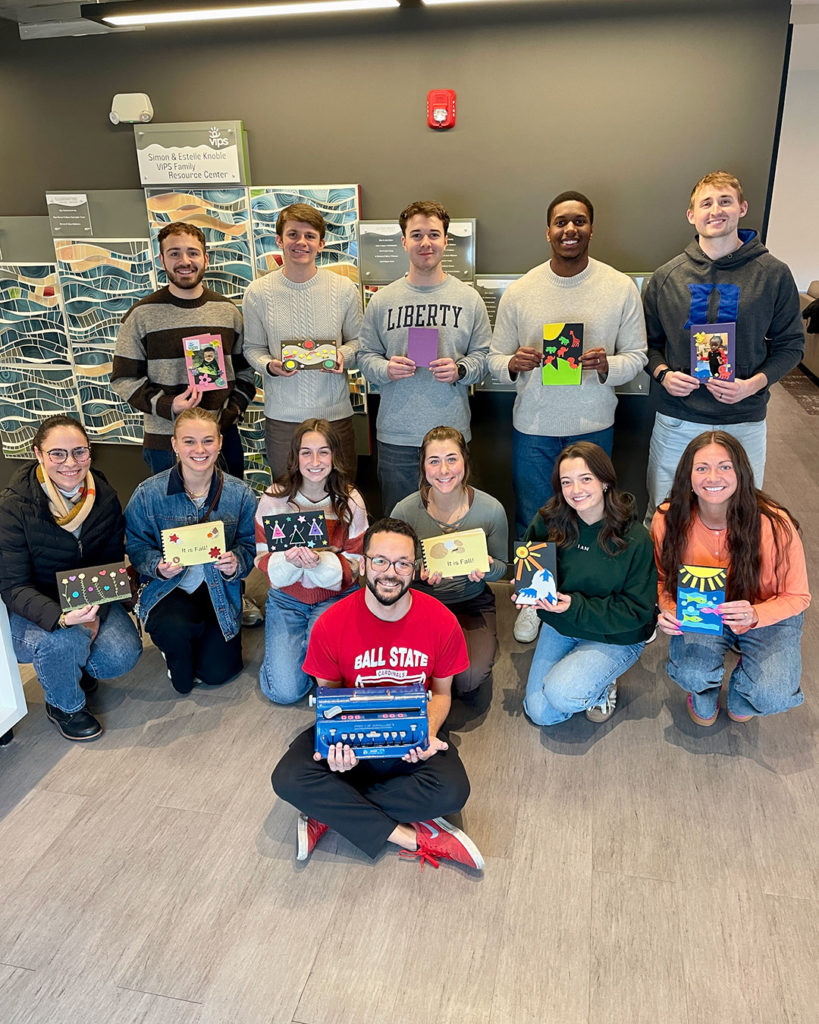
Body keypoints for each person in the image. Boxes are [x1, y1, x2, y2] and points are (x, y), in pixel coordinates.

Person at [270, 518, 484, 871]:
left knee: (452, 792)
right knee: (287, 778)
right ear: (364, 564)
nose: (390, 572)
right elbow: (331, 703)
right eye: (380, 561)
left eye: (402, 563)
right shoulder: (331, 623)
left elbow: (442, 695)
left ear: (414, 570)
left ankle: (330, 811)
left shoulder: (442, 620)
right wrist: (342, 747)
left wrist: (427, 732)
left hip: (413, 731)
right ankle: (416, 837)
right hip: (352, 733)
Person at [487, 190, 647, 643]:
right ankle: (534, 601)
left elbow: (637, 355)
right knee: (534, 519)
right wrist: (513, 364)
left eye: (579, 221)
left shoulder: (618, 287)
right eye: (560, 222)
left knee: (595, 518)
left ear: (592, 228)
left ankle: (588, 598)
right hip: (534, 427)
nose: (569, 230)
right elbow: (495, 358)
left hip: (593, 426)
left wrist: (607, 366)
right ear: (548, 231)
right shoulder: (521, 291)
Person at [644, 171, 804, 524]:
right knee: (665, 516)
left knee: (742, 518)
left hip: (743, 419)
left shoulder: (774, 274)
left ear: (742, 208)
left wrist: (753, 384)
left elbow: (792, 345)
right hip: (678, 419)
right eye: (706, 203)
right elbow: (649, 347)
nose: (716, 210)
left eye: (725, 201)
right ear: (691, 215)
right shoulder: (666, 277)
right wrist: (663, 374)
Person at [651, 431, 809, 725]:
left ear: (742, 472)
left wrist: (756, 614)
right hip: (705, 613)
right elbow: (661, 578)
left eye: (725, 466)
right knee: (692, 672)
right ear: (688, 474)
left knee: (771, 694)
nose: (713, 477)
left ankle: (742, 692)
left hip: (767, 612)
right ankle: (702, 694)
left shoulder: (775, 524)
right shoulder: (667, 519)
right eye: (702, 468)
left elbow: (798, 596)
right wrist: (666, 607)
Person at [0, 416, 142, 741]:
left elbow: (109, 567)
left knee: (120, 653)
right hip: (32, 609)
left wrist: (95, 614)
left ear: (90, 453)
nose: (70, 463)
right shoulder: (13, 506)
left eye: (80, 452)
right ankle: (66, 705)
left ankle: (71, 669)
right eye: (58, 454)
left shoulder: (103, 496)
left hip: (85, 597)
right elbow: (13, 587)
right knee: (63, 641)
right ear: (38, 454)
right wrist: (62, 619)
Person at [358, 200, 491, 516]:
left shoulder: (468, 299)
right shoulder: (382, 300)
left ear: (446, 240)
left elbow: (485, 357)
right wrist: (386, 368)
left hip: (451, 437)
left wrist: (460, 369)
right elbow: (364, 356)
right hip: (396, 438)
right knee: (399, 525)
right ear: (404, 241)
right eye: (416, 235)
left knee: (452, 524)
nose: (425, 243)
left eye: (434, 234)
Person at [518, 442, 656, 727]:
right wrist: (528, 594)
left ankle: (604, 681)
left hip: (617, 634)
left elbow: (638, 612)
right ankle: (585, 673)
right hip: (563, 623)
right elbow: (533, 576)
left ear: (605, 481)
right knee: (541, 712)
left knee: (562, 694)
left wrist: (576, 606)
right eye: (567, 482)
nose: (576, 490)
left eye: (586, 479)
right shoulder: (548, 521)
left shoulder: (636, 538)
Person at [125, 408, 257, 694]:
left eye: (208, 441)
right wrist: (157, 565)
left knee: (219, 674)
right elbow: (135, 544)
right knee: (183, 681)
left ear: (220, 442)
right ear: (174, 444)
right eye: (189, 441)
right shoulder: (149, 493)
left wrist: (237, 563)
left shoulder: (241, 494)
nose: (199, 450)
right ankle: (176, 645)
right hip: (169, 589)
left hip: (217, 590)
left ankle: (197, 640)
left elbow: (251, 544)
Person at [111, 221, 255, 479]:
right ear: (162, 260)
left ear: (205, 259)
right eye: (174, 253)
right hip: (164, 442)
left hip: (220, 438)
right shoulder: (141, 315)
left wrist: (230, 413)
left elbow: (245, 373)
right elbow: (124, 378)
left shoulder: (228, 313)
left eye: (192, 252)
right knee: (173, 517)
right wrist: (168, 405)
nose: (185, 261)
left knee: (229, 513)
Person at [242, 203, 362, 481]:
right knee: (287, 496)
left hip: (335, 416)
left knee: (341, 493)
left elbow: (358, 342)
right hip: (284, 419)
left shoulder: (343, 289)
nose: (301, 242)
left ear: (321, 243)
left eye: (309, 236)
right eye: (293, 234)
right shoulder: (258, 293)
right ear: (279, 240)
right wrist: (269, 365)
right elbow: (252, 348)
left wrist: (342, 356)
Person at [254, 418, 368, 704]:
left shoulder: (351, 500)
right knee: (284, 692)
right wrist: (287, 562)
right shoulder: (273, 499)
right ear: (295, 456)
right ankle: (293, 655)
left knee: (333, 682)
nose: (315, 461)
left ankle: (307, 651)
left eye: (324, 451)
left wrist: (321, 564)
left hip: (335, 597)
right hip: (287, 599)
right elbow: (262, 558)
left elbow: (355, 567)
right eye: (306, 452)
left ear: (334, 456)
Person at [392, 426, 507, 702]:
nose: (444, 470)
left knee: (468, 681)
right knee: (410, 674)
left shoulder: (491, 510)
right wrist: (417, 572)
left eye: (452, 459)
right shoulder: (405, 510)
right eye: (434, 461)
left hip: (473, 601)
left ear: (465, 461)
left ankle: (475, 647)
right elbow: (392, 569)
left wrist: (487, 568)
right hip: (421, 602)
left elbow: (503, 566)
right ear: (423, 466)